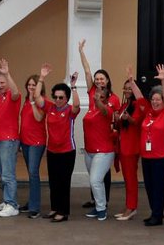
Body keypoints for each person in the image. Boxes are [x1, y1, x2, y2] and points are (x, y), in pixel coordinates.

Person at [76, 39, 120, 219]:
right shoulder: (93, 92)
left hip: (104, 149)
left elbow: (107, 113)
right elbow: (87, 71)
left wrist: (98, 102)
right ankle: (99, 205)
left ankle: (102, 209)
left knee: (95, 180)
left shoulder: (113, 99)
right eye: (97, 78)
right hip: (89, 149)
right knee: (95, 181)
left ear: (108, 81)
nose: (98, 80)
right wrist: (81, 51)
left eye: (102, 78)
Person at [32, 64, 80, 222]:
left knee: (63, 182)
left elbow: (77, 105)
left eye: (61, 97)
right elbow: (37, 97)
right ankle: (54, 208)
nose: (58, 100)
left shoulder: (70, 111)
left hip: (67, 152)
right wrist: (42, 77)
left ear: (66, 98)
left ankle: (63, 212)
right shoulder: (50, 107)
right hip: (52, 151)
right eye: (56, 97)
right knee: (53, 181)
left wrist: (73, 86)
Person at [141, 63, 164, 226]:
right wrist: (131, 81)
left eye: (158, 99)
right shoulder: (148, 112)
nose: (155, 102)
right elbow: (139, 97)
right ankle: (154, 212)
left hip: (160, 157)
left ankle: (158, 214)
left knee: (158, 187)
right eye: (153, 99)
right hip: (146, 156)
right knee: (149, 186)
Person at [113, 70, 148, 220]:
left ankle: (131, 208)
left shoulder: (137, 105)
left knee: (131, 178)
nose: (127, 91)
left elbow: (137, 122)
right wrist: (117, 118)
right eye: (125, 88)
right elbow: (120, 124)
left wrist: (128, 119)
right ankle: (128, 206)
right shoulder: (124, 105)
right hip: (123, 146)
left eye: (130, 88)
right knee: (127, 179)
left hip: (131, 147)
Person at [0, 60, 23, 217]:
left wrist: (7, 73)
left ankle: (12, 205)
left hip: (8, 141)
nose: (0, 85)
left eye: (2, 82)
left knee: (8, 174)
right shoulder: (1, 97)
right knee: (2, 172)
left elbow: (16, 91)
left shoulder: (12, 96)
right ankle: (6, 200)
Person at [20, 71, 47, 218]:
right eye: (29, 85)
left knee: (33, 174)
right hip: (25, 141)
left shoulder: (41, 101)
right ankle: (31, 202)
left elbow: (38, 118)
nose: (31, 87)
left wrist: (32, 102)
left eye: (34, 85)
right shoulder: (26, 100)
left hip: (36, 143)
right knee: (31, 174)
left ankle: (35, 208)